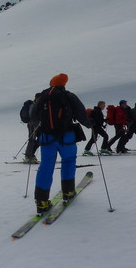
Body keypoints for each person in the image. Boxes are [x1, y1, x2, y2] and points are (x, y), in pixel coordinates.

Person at [30, 73, 93, 215]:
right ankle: (69, 192)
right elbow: (81, 114)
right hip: (67, 136)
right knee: (69, 160)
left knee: (46, 166)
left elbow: (33, 117)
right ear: (64, 83)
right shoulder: (69, 96)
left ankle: (41, 202)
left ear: (51, 83)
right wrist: (90, 125)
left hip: (46, 137)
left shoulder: (43, 97)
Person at [24, 93, 41, 164]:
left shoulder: (39, 105)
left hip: (39, 125)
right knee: (31, 139)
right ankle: (28, 156)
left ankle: (31, 154)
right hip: (32, 125)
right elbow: (31, 115)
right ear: (36, 98)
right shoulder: (33, 105)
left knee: (41, 139)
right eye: (39, 98)